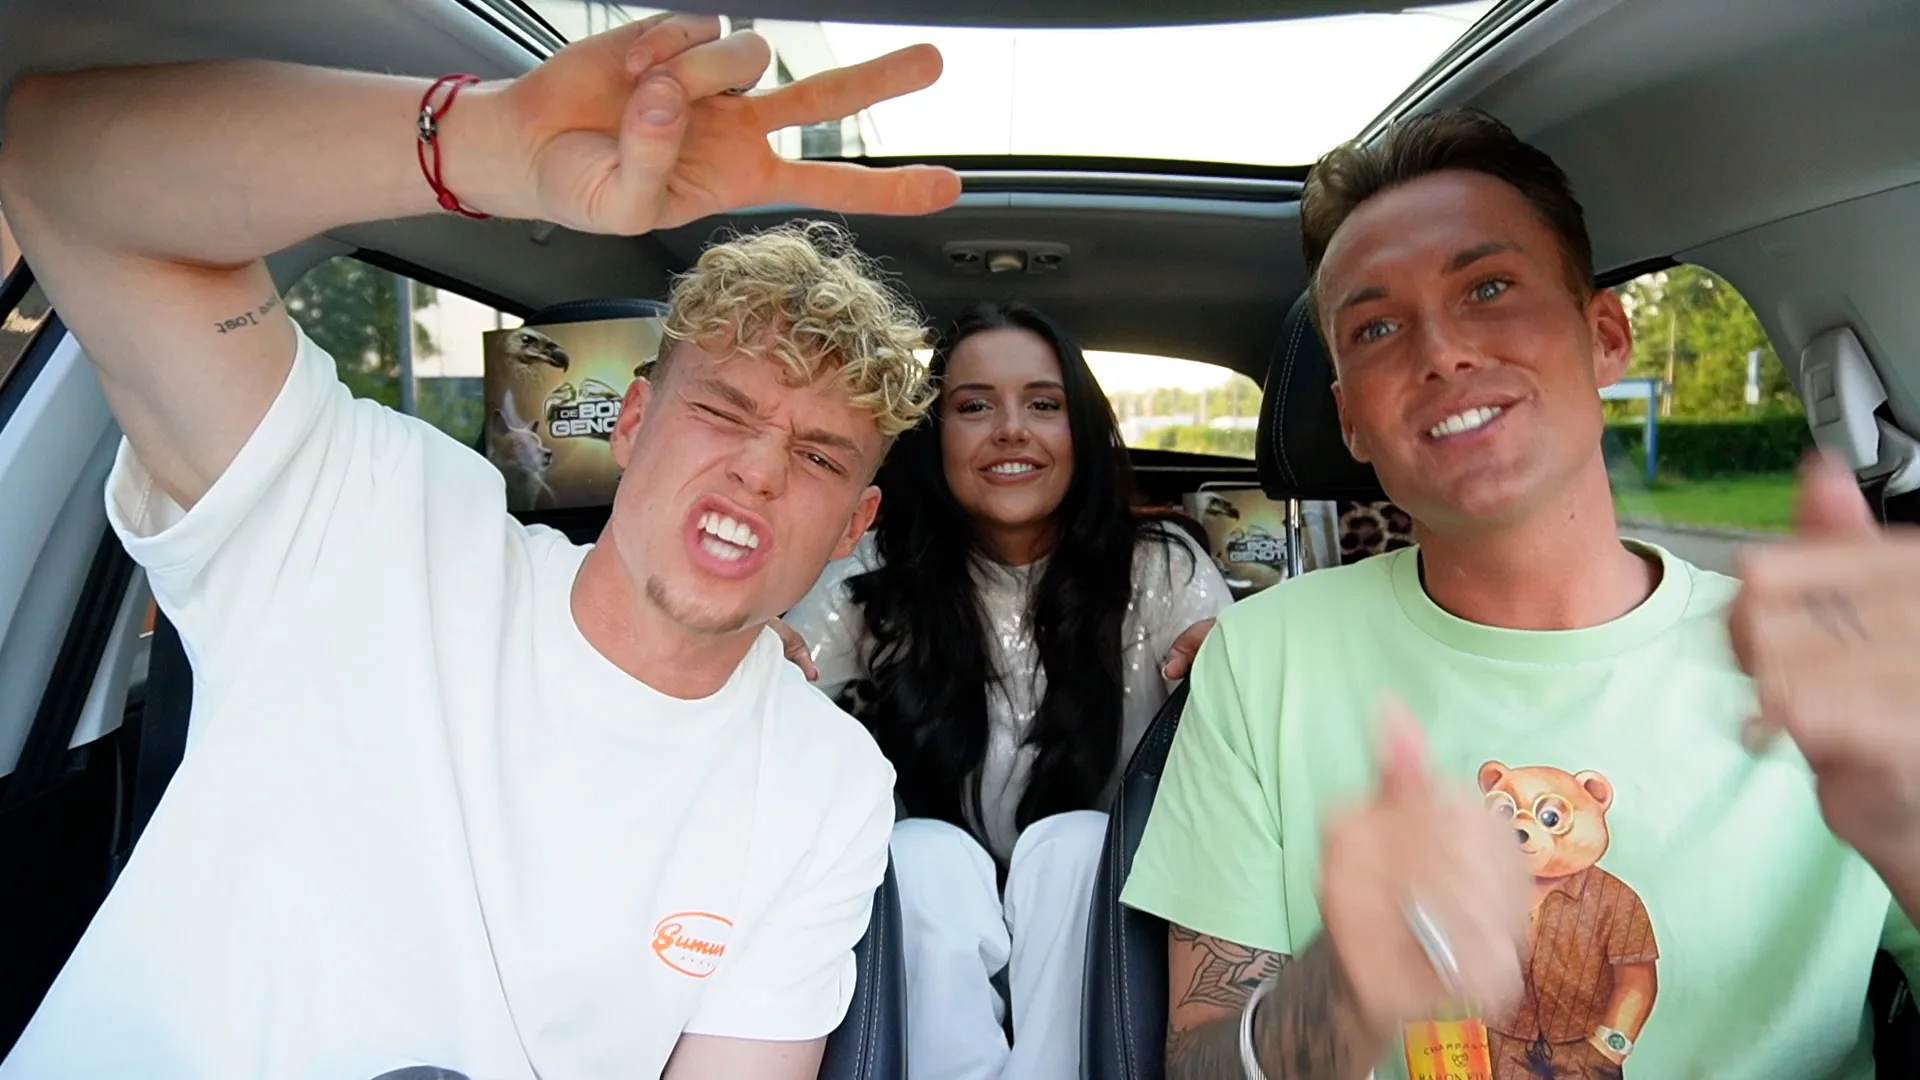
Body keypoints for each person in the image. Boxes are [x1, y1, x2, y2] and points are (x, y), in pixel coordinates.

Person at [0, 14, 965, 1079]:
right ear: (631, 423)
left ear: (851, 528)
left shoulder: (823, 782)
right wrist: (480, 143)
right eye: (721, 412)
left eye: (819, 457)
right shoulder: (376, 521)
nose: (759, 471)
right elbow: (53, 167)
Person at [1119, 106, 1920, 1080]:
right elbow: (1196, 1062)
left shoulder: (1827, 663)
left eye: (1489, 288)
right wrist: (1344, 992)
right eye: (1376, 327)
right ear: (1350, 419)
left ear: (1605, 336)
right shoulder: (1261, 661)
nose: (1440, 351)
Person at [777, 301, 1231, 1080]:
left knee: (1075, 846)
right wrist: (760, 655)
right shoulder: (872, 572)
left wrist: (1229, 668)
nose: (1011, 430)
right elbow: (781, 701)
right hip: (920, 917)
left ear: (1081, 429)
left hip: (1107, 923)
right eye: (974, 407)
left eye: (1044, 405)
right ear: (934, 436)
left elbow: (1233, 750)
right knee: (923, 855)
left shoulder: (1162, 570)